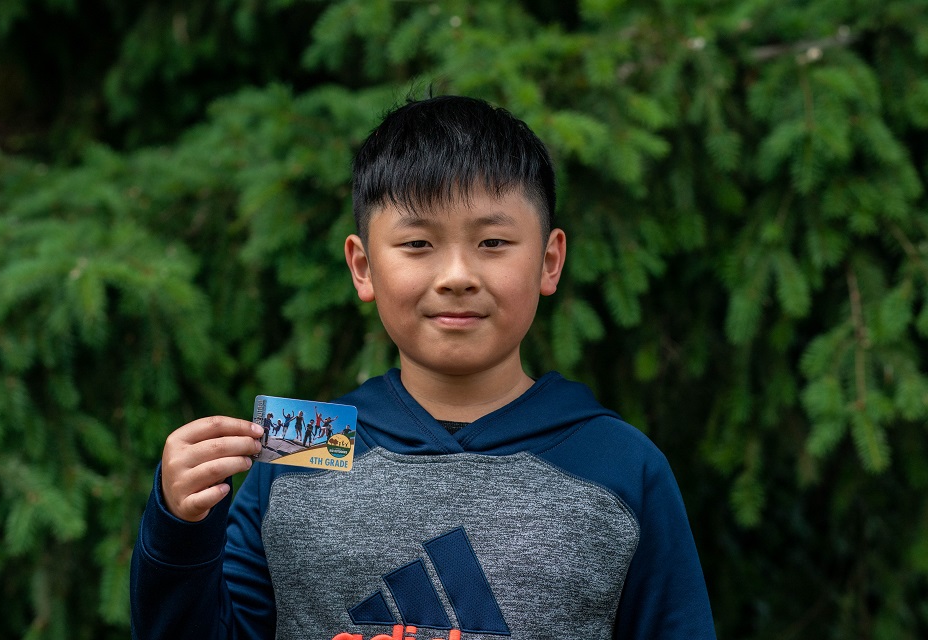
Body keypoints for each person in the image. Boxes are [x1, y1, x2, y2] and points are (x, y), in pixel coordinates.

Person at [130, 95, 717, 639]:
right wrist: (180, 529)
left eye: (492, 243)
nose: (457, 275)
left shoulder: (621, 466)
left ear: (549, 259)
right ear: (363, 267)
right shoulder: (301, 450)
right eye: (417, 244)